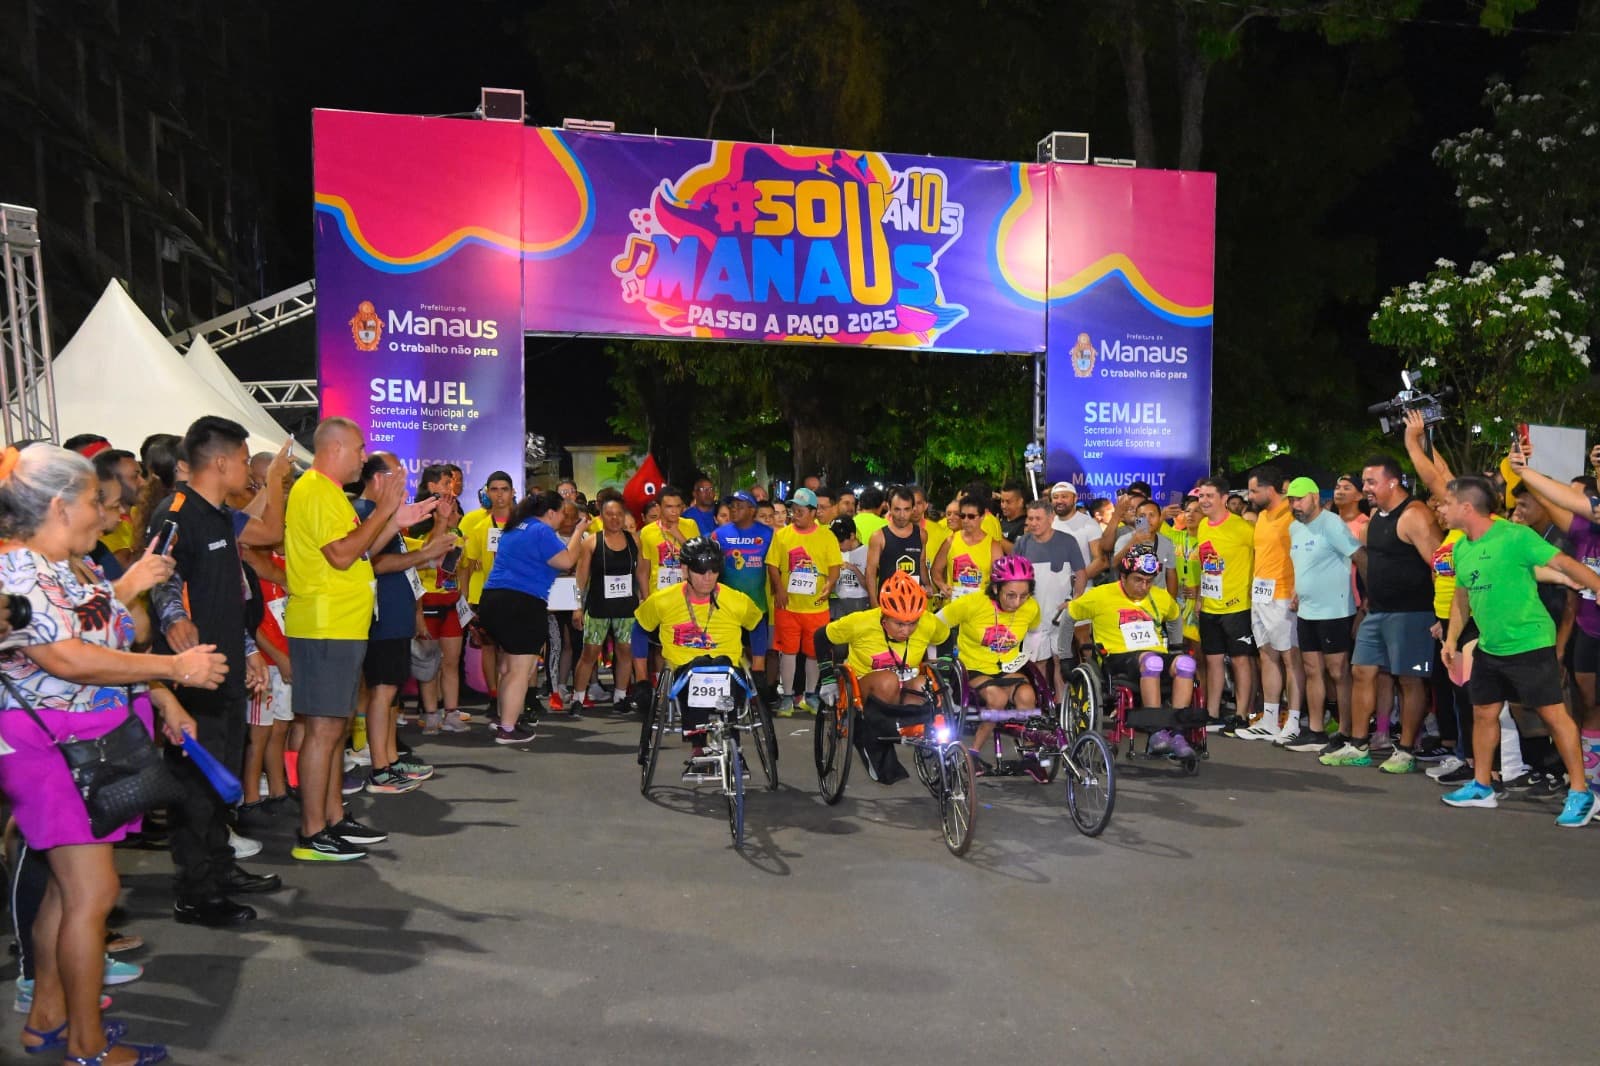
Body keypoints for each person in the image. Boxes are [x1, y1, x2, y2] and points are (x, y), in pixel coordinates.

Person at [0, 443, 227, 1064]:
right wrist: (172, 670)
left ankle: (49, 1021)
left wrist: (130, 596)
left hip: (80, 746)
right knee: (92, 896)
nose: (105, 514)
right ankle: (87, 1045)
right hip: (51, 750)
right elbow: (69, 659)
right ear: (58, 505)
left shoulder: (57, 566)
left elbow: (114, 632)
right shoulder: (20, 572)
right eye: (93, 501)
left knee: (67, 894)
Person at [147, 416, 282, 925]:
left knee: (222, 779)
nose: (248, 469)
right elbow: (159, 574)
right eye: (245, 460)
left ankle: (220, 869)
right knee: (195, 787)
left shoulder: (223, 515)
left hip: (226, 669)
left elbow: (230, 597)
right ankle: (196, 893)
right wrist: (174, 619)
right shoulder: (176, 512)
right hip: (191, 675)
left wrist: (249, 650)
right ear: (221, 462)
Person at [285, 418, 435, 863]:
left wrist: (393, 520)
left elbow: (361, 550)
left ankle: (333, 817)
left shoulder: (331, 493)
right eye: (358, 448)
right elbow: (342, 554)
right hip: (324, 625)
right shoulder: (314, 489)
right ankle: (313, 831)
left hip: (343, 625)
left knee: (334, 729)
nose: (362, 456)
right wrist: (385, 511)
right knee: (322, 731)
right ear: (334, 448)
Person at [1439, 476, 1600, 826]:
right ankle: (1482, 786)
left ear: (1466, 507)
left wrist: (1597, 585)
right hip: (1490, 645)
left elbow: (1563, 563)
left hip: (1529, 642)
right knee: (1483, 713)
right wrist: (1451, 640)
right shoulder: (1461, 547)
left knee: (1554, 716)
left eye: (1446, 503)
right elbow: (1462, 598)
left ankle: (1581, 792)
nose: (1441, 508)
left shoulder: (1515, 536)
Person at [1321, 456, 1442, 772]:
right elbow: (1373, 567)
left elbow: (1441, 566)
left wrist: (1443, 616)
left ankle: (1406, 751)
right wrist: (1366, 605)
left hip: (1412, 613)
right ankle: (1358, 745)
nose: (1366, 488)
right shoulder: (1376, 518)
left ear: (1393, 482)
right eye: (1364, 481)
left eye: (1371, 482)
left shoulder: (1414, 515)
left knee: (1409, 680)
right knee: (1361, 672)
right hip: (1376, 611)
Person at [1507, 442, 1600, 786]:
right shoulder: (1580, 529)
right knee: (1589, 705)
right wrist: (1523, 471)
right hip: (1589, 630)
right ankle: (1591, 783)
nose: (1570, 500)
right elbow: (1549, 498)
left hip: (1578, 628)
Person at [357, 453, 451, 793]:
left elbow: (414, 556)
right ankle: (380, 768)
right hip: (379, 618)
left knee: (390, 694)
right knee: (382, 693)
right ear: (378, 479)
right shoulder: (365, 513)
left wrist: (441, 524)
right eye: (398, 476)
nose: (405, 484)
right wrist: (424, 554)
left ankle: (391, 759)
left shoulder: (383, 515)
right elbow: (372, 563)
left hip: (395, 617)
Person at [633, 537, 765, 764]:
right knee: (698, 666)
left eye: (714, 571)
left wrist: (759, 668)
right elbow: (639, 631)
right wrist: (642, 679)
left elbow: (758, 625)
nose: (708, 577)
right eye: (701, 571)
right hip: (685, 672)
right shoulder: (663, 600)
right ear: (685, 569)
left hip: (727, 670)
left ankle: (733, 744)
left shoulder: (736, 600)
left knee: (722, 665)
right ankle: (699, 744)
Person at [815, 570, 951, 783]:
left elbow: (946, 639)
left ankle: (923, 735)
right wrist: (828, 679)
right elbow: (821, 637)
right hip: (864, 689)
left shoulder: (928, 622)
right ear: (884, 616)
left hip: (904, 685)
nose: (906, 630)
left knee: (925, 683)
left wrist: (946, 676)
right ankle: (872, 738)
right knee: (887, 680)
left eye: (912, 623)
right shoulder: (860, 622)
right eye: (899, 624)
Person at [476, 491, 587, 744]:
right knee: (520, 671)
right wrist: (579, 531)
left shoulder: (514, 527)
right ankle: (507, 728)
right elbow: (567, 561)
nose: (563, 519)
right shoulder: (541, 531)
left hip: (492, 600)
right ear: (551, 513)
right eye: (562, 513)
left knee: (507, 667)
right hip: (522, 603)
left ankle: (503, 720)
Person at [1068, 545, 1194, 758]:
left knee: (1185, 664)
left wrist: (1174, 647)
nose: (1144, 587)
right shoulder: (1100, 595)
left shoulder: (1160, 597)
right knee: (1152, 661)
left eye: (1149, 581)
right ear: (1123, 576)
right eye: (1138, 580)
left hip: (1153, 653)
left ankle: (1178, 734)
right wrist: (1065, 656)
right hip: (1117, 658)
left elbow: (1174, 619)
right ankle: (1156, 733)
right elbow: (1068, 616)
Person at [1281, 478, 1362, 753]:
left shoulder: (1332, 523)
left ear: (1315, 497)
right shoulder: (1294, 528)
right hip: (1307, 610)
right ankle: (1316, 730)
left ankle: (1346, 730)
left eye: (1299, 499)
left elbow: (1360, 556)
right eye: (1291, 500)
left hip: (1335, 611)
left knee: (1339, 672)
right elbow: (1303, 564)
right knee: (1312, 670)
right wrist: (1297, 590)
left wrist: (1369, 600)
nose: (1295, 505)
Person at [938, 554, 1041, 771]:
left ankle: (1030, 754)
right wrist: (934, 659)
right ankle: (974, 753)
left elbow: (1034, 631)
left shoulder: (1031, 607)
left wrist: (1028, 655)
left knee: (1027, 695)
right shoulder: (971, 604)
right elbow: (935, 624)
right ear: (995, 588)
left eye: (1023, 595)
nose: (1017, 603)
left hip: (1007, 667)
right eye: (1010, 595)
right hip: (972, 668)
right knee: (998, 698)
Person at [1235, 465, 1304, 742]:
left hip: (1285, 596)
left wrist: (1300, 589)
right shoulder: (1263, 516)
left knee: (1291, 658)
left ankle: (1294, 721)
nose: (1250, 496)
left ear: (1270, 489)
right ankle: (1270, 719)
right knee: (1267, 655)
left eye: (1254, 491)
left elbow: (1303, 555)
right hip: (1261, 595)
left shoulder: (1294, 515)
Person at [1191, 477, 1258, 731]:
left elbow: (1261, 555)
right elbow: (1206, 565)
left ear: (1224, 498)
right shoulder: (1203, 526)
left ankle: (1242, 714)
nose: (1204, 501)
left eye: (1209, 496)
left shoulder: (1242, 527)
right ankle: (1212, 712)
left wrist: (1254, 587)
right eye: (1201, 496)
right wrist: (1199, 597)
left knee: (1240, 660)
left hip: (1237, 605)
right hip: (1210, 606)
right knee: (1213, 660)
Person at [767, 489, 841, 713]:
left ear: (813, 512)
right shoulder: (782, 535)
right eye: (793, 510)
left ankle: (810, 695)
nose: (795, 515)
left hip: (816, 607)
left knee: (813, 653)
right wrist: (779, 589)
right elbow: (772, 565)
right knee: (788, 652)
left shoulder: (826, 536)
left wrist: (830, 584)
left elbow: (834, 567)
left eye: (800, 511)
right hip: (788, 607)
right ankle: (788, 696)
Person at [572, 497, 640, 708]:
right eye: (610, 514)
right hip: (598, 606)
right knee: (590, 652)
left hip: (626, 606)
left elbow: (641, 572)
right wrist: (577, 607)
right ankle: (578, 698)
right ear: (602, 517)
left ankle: (620, 696)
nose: (615, 519)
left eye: (619, 514)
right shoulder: (592, 542)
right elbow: (580, 578)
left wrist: (645, 599)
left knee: (625, 651)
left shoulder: (634, 540)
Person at [459, 470, 516, 708]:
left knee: (513, 651)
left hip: (518, 596)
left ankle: (513, 697)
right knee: (489, 647)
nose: (499, 495)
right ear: (487, 493)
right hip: (487, 597)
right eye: (494, 490)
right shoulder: (480, 527)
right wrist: (464, 599)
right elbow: (467, 565)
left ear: (512, 492)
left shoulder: (524, 525)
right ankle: (494, 696)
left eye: (504, 489)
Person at [1016, 498, 1086, 686]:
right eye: (1030, 518)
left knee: (1059, 661)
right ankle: (1042, 699)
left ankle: (1060, 701)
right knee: (1037, 662)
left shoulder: (1068, 541)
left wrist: (1074, 601)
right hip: (1033, 615)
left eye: (1038, 519)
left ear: (1051, 518)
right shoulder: (1022, 543)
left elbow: (1081, 574)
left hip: (1060, 614)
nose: (1033, 523)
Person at [710, 492, 773, 679]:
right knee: (730, 656)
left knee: (758, 660)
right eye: (732, 506)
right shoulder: (718, 534)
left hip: (757, 606)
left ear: (752, 510)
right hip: (727, 608)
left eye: (740, 506)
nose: (734, 509)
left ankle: (759, 692)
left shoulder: (768, 534)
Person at [932, 494, 1010, 602]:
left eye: (971, 516)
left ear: (982, 517)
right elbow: (936, 570)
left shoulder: (993, 545)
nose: (966, 520)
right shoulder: (951, 541)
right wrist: (943, 586)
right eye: (962, 516)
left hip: (980, 607)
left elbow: (999, 580)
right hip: (953, 606)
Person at [865, 486, 928, 603]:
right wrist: (874, 604)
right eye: (897, 509)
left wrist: (927, 585)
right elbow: (870, 572)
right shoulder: (878, 537)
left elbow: (921, 563)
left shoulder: (921, 534)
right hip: (888, 603)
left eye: (906, 509)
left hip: (913, 603)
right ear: (889, 508)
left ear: (913, 509)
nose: (902, 515)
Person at [1050, 481, 1101, 570]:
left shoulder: (1089, 523)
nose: (1059, 501)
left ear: (1075, 498)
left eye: (1064, 497)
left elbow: (1101, 560)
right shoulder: (1048, 523)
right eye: (1055, 497)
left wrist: (1080, 577)